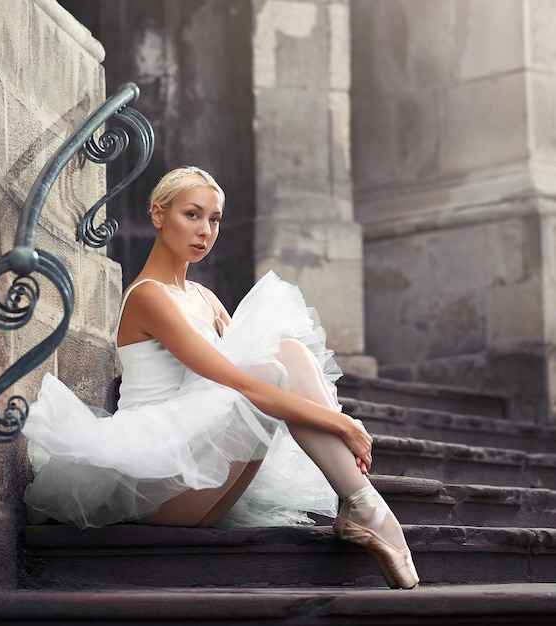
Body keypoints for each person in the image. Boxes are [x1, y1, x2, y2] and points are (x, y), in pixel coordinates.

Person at [22, 166, 419, 589]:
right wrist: (342, 422)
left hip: (206, 476)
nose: (205, 231)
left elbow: (266, 375)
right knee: (270, 365)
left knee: (289, 351)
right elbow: (243, 384)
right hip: (156, 479)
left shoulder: (206, 299)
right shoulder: (148, 296)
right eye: (192, 215)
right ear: (158, 215)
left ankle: (362, 503)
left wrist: (341, 424)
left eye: (214, 219)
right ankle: (367, 507)